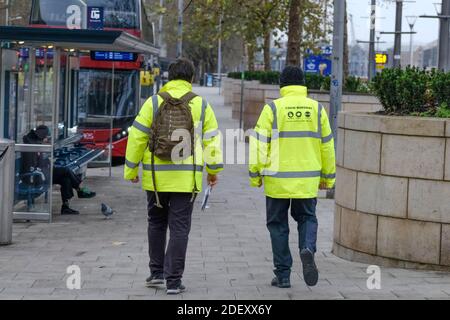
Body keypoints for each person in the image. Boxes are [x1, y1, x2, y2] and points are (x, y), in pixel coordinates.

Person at [124, 58, 223, 295]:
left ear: (169, 77)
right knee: (180, 228)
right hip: (186, 179)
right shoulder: (200, 105)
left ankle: (156, 273)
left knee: (156, 223)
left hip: (156, 178)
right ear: (191, 79)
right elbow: (212, 140)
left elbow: (137, 137)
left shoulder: (153, 102)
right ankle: (174, 281)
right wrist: (213, 171)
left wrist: (131, 169)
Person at [249, 66, 336, 288]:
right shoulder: (317, 110)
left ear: (282, 85)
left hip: (277, 179)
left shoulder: (273, 109)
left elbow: (259, 144)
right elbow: (327, 146)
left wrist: (255, 173)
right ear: (303, 84)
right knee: (307, 218)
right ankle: (307, 247)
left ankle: (283, 275)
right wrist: (328, 177)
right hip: (307, 180)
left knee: (278, 226)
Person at [22, 125, 96, 215]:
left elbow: (42, 161)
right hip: (36, 177)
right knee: (65, 170)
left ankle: (65, 207)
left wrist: (47, 164)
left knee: (66, 179)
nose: (47, 139)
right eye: (46, 137)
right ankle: (79, 189)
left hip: (44, 173)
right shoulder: (30, 146)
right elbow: (32, 165)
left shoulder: (35, 143)